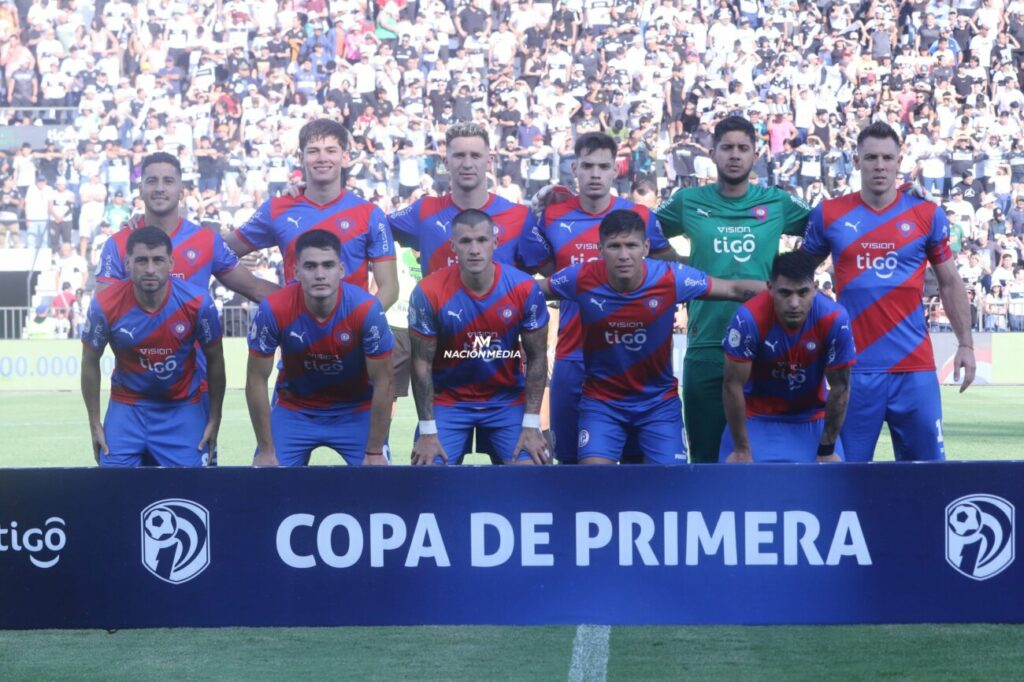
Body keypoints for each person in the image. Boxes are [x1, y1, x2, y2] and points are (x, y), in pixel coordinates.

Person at [802, 122, 976, 462]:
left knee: (927, 481)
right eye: (870, 157)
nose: (879, 165)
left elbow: (950, 282)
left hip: (914, 370)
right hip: (851, 370)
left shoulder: (927, 214)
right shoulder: (829, 214)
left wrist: (966, 344)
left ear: (899, 162)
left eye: (887, 157)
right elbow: (797, 277)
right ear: (856, 161)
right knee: (844, 480)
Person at [539, 210, 765, 465]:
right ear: (600, 249)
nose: (624, 255)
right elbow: (530, 294)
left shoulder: (670, 277)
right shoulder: (580, 277)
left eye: (631, 245)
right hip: (602, 403)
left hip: (658, 403)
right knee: (594, 481)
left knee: (669, 485)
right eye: (614, 246)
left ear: (645, 247)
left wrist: (795, 298)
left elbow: (733, 289)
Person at [655, 116, 813, 463]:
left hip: (768, 345)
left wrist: (791, 278)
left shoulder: (776, 202)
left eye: (743, 148)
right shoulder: (688, 201)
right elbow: (645, 233)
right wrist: (682, 269)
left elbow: (824, 230)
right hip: (707, 342)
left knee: (765, 458)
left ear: (756, 155)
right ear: (712, 153)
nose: (735, 155)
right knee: (706, 460)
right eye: (727, 147)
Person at [518, 131, 676, 464]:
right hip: (574, 356)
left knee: (639, 467)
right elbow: (553, 277)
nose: (594, 174)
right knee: (574, 465)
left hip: (634, 358)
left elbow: (670, 271)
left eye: (602, 166)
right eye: (587, 165)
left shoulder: (641, 217)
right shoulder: (552, 216)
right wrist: (532, 216)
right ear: (574, 168)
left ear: (615, 170)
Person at [408, 209, 549, 466]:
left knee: (533, 470)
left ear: (495, 242)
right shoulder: (428, 291)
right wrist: (428, 430)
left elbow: (537, 357)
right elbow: (421, 363)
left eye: (482, 240)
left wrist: (531, 424)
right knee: (427, 471)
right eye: (465, 241)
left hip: (506, 401)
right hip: (449, 402)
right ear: (453, 246)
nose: (474, 249)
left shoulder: (524, 288)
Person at [246, 229, 394, 467]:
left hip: (356, 410)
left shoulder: (366, 309)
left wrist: (375, 451)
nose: (320, 274)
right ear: (296, 272)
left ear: (341, 270)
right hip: (295, 409)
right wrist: (265, 450)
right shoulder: (274, 309)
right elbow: (255, 380)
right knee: (266, 481)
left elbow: (385, 381)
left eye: (328, 265)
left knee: (377, 484)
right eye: (310, 266)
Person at [81, 227, 224, 467]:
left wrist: (214, 417)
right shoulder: (104, 305)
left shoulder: (198, 302)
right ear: (127, 263)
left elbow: (216, 359)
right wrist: (95, 423)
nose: (149, 269)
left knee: (195, 491)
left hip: (182, 408)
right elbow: (89, 360)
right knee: (110, 490)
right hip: (126, 408)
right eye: (141, 261)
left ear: (171, 262)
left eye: (158, 260)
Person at [226, 118, 398, 311]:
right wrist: (269, 295)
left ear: (345, 157)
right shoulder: (276, 209)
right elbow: (220, 251)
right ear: (301, 158)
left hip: (353, 337)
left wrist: (363, 320)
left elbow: (390, 287)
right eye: (313, 151)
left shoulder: (370, 214)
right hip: (296, 336)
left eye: (331, 150)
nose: (322, 158)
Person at [720, 250, 855, 463]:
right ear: (770, 288)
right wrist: (742, 449)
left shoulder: (835, 319)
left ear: (815, 289)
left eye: (802, 293)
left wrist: (827, 449)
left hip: (812, 417)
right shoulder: (748, 318)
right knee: (737, 480)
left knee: (831, 483)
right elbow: (732, 385)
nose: (794, 303)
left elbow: (840, 387)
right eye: (785, 293)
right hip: (757, 417)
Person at [388, 121, 534, 277]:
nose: (467, 164)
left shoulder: (519, 216)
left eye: (476, 155)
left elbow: (552, 276)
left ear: (489, 161)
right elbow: (371, 228)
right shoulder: (424, 210)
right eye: (459, 156)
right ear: (446, 162)